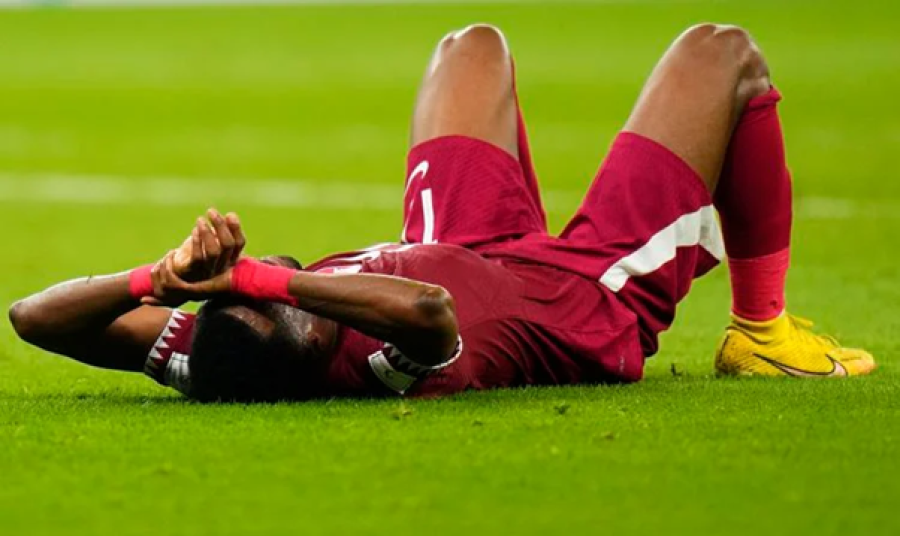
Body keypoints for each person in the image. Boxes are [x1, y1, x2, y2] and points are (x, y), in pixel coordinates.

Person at [8, 24, 875, 402]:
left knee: (471, 46)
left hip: (460, 239)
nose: (273, 280)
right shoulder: (385, 363)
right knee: (724, 55)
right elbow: (432, 308)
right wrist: (262, 280)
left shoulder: (218, 356)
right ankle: (762, 332)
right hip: (576, 296)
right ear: (306, 341)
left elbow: (31, 316)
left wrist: (158, 278)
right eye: (278, 300)